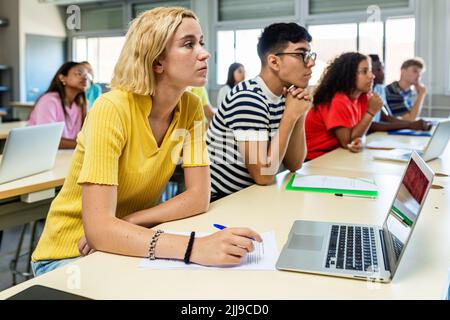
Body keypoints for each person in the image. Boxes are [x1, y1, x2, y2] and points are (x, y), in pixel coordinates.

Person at [31, 7, 262, 277]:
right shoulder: (112, 108)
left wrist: (129, 221)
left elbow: (198, 197)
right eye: (188, 44)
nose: (204, 52)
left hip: (126, 240)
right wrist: (194, 248)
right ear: (156, 63)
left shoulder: (191, 107)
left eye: (201, 42)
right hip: (70, 255)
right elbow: (97, 230)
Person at [206, 23, 314, 201]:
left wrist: (299, 113)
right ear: (274, 62)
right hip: (221, 201)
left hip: (252, 196)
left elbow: (294, 164)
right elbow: (263, 175)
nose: (310, 63)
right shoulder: (248, 98)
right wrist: (290, 116)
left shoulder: (283, 96)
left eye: (309, 54)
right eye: (301, 54)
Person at [305, 52, 383, 161]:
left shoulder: (363, 97)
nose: (372, 76)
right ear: (349, 75)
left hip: (337, 154)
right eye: (365, 71)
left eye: (370, 71)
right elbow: (347, 142)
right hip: (316, 159)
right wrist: (370, 112)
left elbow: (356, 136)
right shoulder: (338, 100)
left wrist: (360, 140)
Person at [28, 62, 88, 149]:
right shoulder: (49, 101)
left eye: (86, 75)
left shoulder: (79, 104)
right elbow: (47, 140)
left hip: (64, 154)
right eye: (79, 73)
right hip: (38, 152)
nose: (84, 78)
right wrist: (84, 146)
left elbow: (82, 136)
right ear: (62, 78)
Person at [368, 54, 431, 133]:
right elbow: (411, 118)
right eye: (415, 71)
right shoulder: (392, 91)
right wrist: (421, 94)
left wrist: (412, 124)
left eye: (383, 68)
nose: (418, 76)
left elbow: (386, 117)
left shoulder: (380, 89)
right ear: (403, 71)